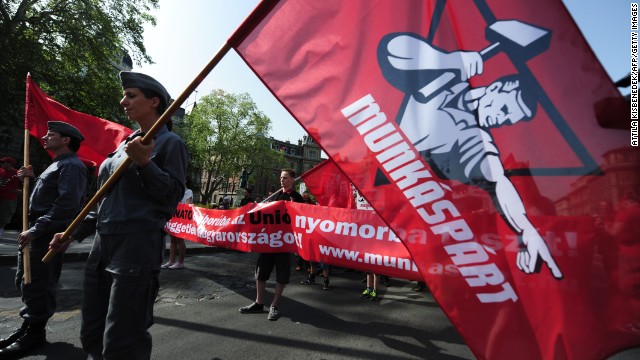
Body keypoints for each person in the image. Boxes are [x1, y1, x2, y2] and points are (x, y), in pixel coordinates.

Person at [378, 33, 562, 279]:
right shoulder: (448, 76)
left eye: (508, 120)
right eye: (505, 108)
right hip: (374, 162)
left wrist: (525, 229)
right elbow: (394, 49)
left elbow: (499, 182)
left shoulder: (476, 140)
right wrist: (450, 60)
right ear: (497, 87)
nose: (501, 119)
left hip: (395, 185)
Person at [48, 71, 188, 359]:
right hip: (102, 246)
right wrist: (72, 234)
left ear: (154, 102)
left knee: (122, 338)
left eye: (131, 95)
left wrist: (145, 163)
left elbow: (172, 195)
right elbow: (102, 202)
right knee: (92, 331)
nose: (123, 101)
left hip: (135, 244)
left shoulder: (169, 143)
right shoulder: (123, 146)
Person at [0, 122, 87, 358]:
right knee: (26, 280)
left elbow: (66, 204)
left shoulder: (71, 166)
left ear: (66, 140)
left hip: (46, 233)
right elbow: (49, 193)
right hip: (36, 230)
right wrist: (34, 178)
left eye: (52, 134)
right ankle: (28, 326)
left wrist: (36, 230)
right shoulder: (57, 165)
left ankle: (35, 333)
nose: (45, 137)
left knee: (39, 282)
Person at [239, 168, 303, 321]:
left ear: (292, 180)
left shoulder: (298, 198)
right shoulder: (275, 196)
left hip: (284, 243)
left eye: (285, 178)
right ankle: (259, 302)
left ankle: (274, 305)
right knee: (261, 272)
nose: (282, 180)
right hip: (269, 241)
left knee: (281, 275)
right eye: (281, 177)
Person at [162, 179, 193, 269]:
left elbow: (187, 206)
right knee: (172, 240)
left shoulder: (188, 192)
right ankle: (171, 261)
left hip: (182, 219)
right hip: (174, 218)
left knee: (179, 240)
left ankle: (180, 262)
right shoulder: (176, 192)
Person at [0, 157, 20, 239]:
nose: (2, 164)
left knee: (3, 219)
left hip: (9, 200)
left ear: (10, 164)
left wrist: (20, 191)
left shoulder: (17, 173)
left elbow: (25, 186)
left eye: (4, 162)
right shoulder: (0, 170)